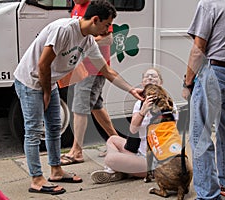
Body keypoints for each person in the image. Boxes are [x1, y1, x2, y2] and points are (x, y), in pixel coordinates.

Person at [13, 0, 143, 195]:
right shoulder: (64, 30)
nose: (109, 30)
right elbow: (43, 64)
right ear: (95, 20)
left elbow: (106, 71)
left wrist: (131, 90)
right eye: (107, 25)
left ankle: (56, 170)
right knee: (33, 130)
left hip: (49, 81)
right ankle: (37, 179)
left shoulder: (88, 40)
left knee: (55, 126)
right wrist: (47, 92)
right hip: (30, 81)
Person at [182, 0, 225, 199]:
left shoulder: (208, 3)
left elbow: (198, 48)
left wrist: (188, 82)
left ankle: (208, 195)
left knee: (199, 134)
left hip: (215, 73)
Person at [90, 68, 179, 184]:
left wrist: (156, 110)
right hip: (139, 152)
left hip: (154, 160)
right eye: (146, 77)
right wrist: (143, 111)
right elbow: (133, 129)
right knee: (112, 140)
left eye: (154, 76)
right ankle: (120, 170)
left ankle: (116, 170)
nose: (150, 78)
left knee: (109, 159)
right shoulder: (139, 103)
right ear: (142, 83)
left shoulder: (168, 104)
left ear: (160, 82)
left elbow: (169, 133)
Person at [60, 0, 118, 165]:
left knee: (80, 107)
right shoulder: (77, 7)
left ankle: (76, 151)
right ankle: (117, 142)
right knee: (96, 106)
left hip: (95, 68)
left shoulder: (98, 8)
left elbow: (108, 39)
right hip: (82, 67)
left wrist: (84, 43)